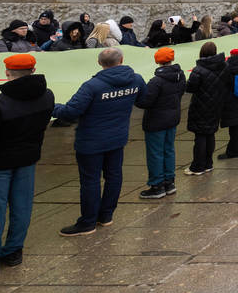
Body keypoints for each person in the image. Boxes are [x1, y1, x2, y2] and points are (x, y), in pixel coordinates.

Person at [52, 48, 146, 235]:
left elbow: (70, 112)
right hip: (117, 137)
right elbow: (143, 101)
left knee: (90, 181)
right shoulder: (136, 80)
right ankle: (106, 215)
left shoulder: (93, 86)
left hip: (91, 141)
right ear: (122, 59)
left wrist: (50, 106)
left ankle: (87, 222)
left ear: (99, 63)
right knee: (114, 176)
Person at [0, 54, 54, 275]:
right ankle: (14, 250)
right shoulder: (47, 96)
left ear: (7, 73)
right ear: (33, 71)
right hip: (28, 158)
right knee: (22, 206)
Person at [135, 47, 186, 199]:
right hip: (172, 118)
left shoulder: (156, 81)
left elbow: (145, 102)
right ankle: (169, 182)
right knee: (168, 150)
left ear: (157, 61)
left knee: (155, 153)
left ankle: (157, 185)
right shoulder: (180, 75)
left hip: (156, 121)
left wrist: (137, 96)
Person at [184, 42, 226, 173]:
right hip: (216, 104)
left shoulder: (198, 70)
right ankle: (208, 163)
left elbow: (190, 88)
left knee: (200, 136)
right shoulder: (223, 66)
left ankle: (197, 166)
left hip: (201, 105)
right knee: (210, 134)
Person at [217, 48, 238, 160]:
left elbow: (223, 83)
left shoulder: (228, 68)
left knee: (234, 129)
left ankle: (232, 151)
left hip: (232, 102)